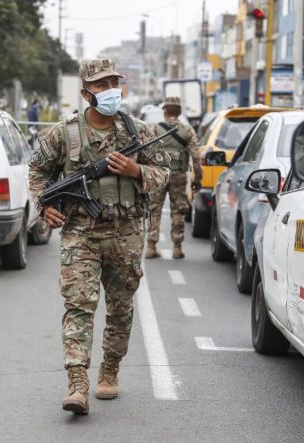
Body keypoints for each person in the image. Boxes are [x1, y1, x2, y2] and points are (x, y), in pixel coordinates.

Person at [28, 57, 170, 415]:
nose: (110, 91)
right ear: (86, 93)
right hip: (81, 234)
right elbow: (38, 172)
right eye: (101, 86)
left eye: (114, 84)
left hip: (126, 232)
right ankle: (77, 384)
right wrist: (44, 207)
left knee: (120, 308)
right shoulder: (64, 133)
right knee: (79, 306)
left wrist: (138, 170)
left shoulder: (138, 132)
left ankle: (110, 368)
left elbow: (165, 171)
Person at [145, 96, 202, 260]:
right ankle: (177, 247)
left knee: (154, 209)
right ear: (179, 112)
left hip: (158, 176)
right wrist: (197, 178)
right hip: (178, 175)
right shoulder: (187, 130)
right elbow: (196, 157)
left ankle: (151, 246)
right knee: (178, 210)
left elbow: (145, 152)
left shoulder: (155, 129)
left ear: (165, 111)